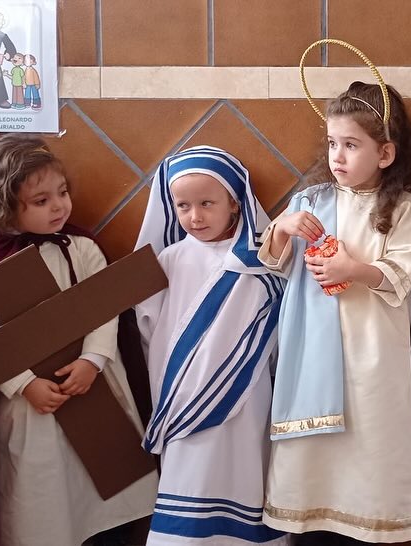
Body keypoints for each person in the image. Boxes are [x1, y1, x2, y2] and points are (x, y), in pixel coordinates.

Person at [0, 133, 157, 546]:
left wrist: (92, 361)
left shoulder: (82, 248)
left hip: (93, 388)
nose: (59, 206)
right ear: (5, 203)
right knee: (45, 499)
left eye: (62, 193)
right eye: (41, 200)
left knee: (107, 496)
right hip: (33, 406)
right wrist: (23, 384)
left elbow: (106, 310)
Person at [260, 81, 411, 544]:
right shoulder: (311, 202)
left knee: (369, 445)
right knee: (316, 459)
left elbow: (403, 272)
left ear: (385, 153)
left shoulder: (401, 209)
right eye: (333, 143)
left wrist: (354, 270)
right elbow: (274, 262)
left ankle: (369, 524)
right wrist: (282, 228)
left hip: (371, 356)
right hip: (313, 357)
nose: (337, 156)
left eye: (351, 145)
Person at [134, 145, 287, 545]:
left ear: (234, 203)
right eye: (183, 206)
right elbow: (149, 326)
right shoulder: (168, 259)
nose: (195, 217)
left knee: (243, 469)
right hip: (181, 395)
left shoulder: (261, 263)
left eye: (206, 203)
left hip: (245, 392)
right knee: (188, 476)